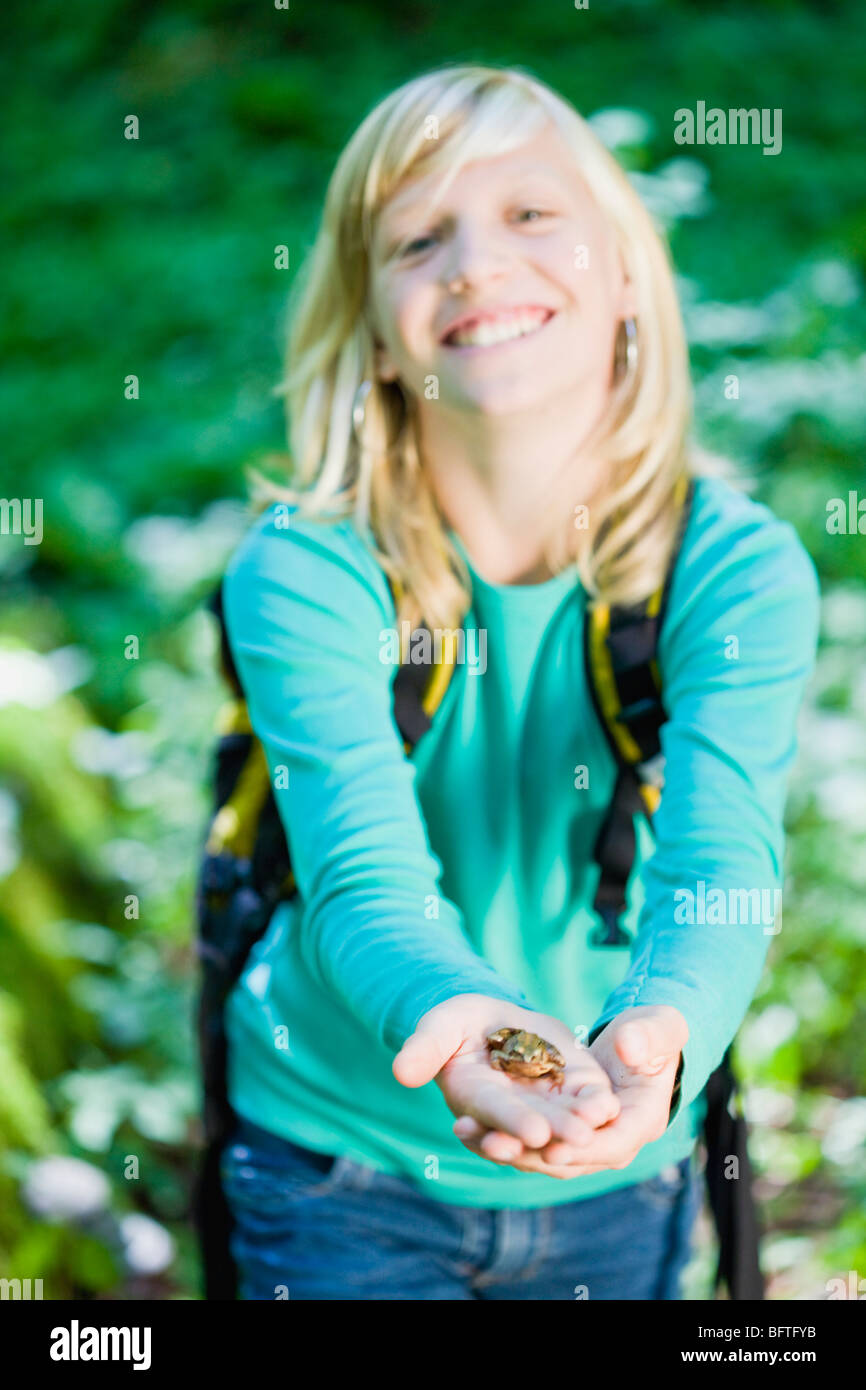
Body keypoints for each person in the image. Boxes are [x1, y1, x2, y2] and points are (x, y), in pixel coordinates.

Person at [216, 63, 819, 1300]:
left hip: (618, 1151)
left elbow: (722, 862)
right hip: (336, 1159)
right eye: (418, 238)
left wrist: (657, 1036)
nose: (477, 266)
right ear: (374, 335)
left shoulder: (735, 570)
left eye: (530, 216)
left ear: (625, 282)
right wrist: (471, 1024)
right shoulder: (304, 571)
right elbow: (358, 876)